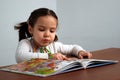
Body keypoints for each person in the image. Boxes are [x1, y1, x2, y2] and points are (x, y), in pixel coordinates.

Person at [15, 8, 92, 63]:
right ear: (31, 29)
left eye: (52, 31)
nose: (47, 34)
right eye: (41, 30)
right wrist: (49, 56)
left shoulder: (54, 45)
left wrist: (80, 52)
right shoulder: (26, 43)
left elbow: (73, 48)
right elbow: (20, 57)